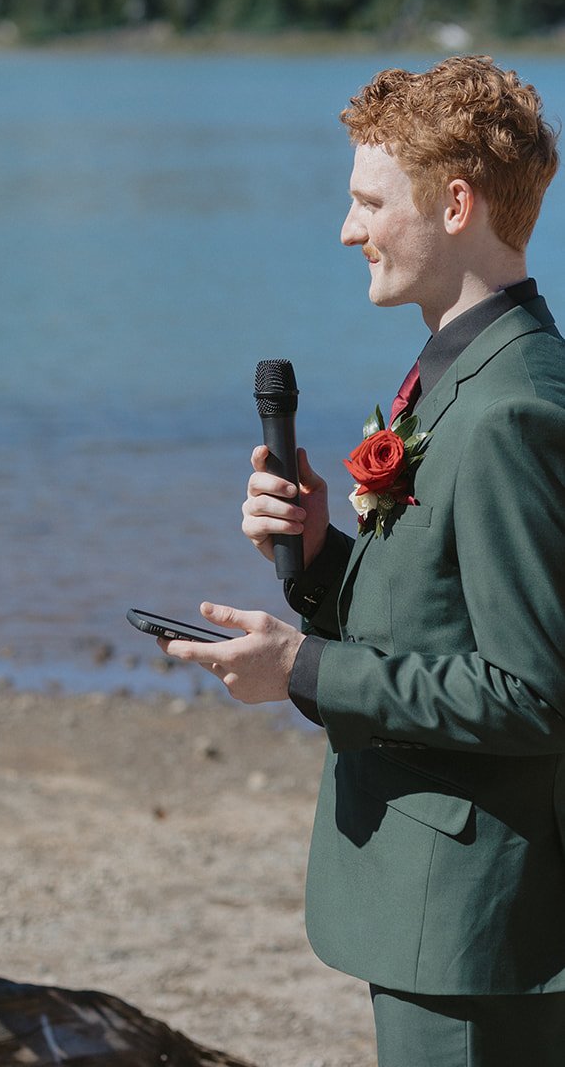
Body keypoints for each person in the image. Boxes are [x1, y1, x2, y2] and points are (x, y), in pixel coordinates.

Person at [161, 57, 565, 1066]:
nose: (347, 231)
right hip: (446, 917)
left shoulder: (509, 408)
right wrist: (314, 556)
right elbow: (435, 616)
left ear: (455, 201)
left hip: (478, 929)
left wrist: (298, 667)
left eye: (366, 202)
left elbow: (530, 693)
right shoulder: (463, 372)